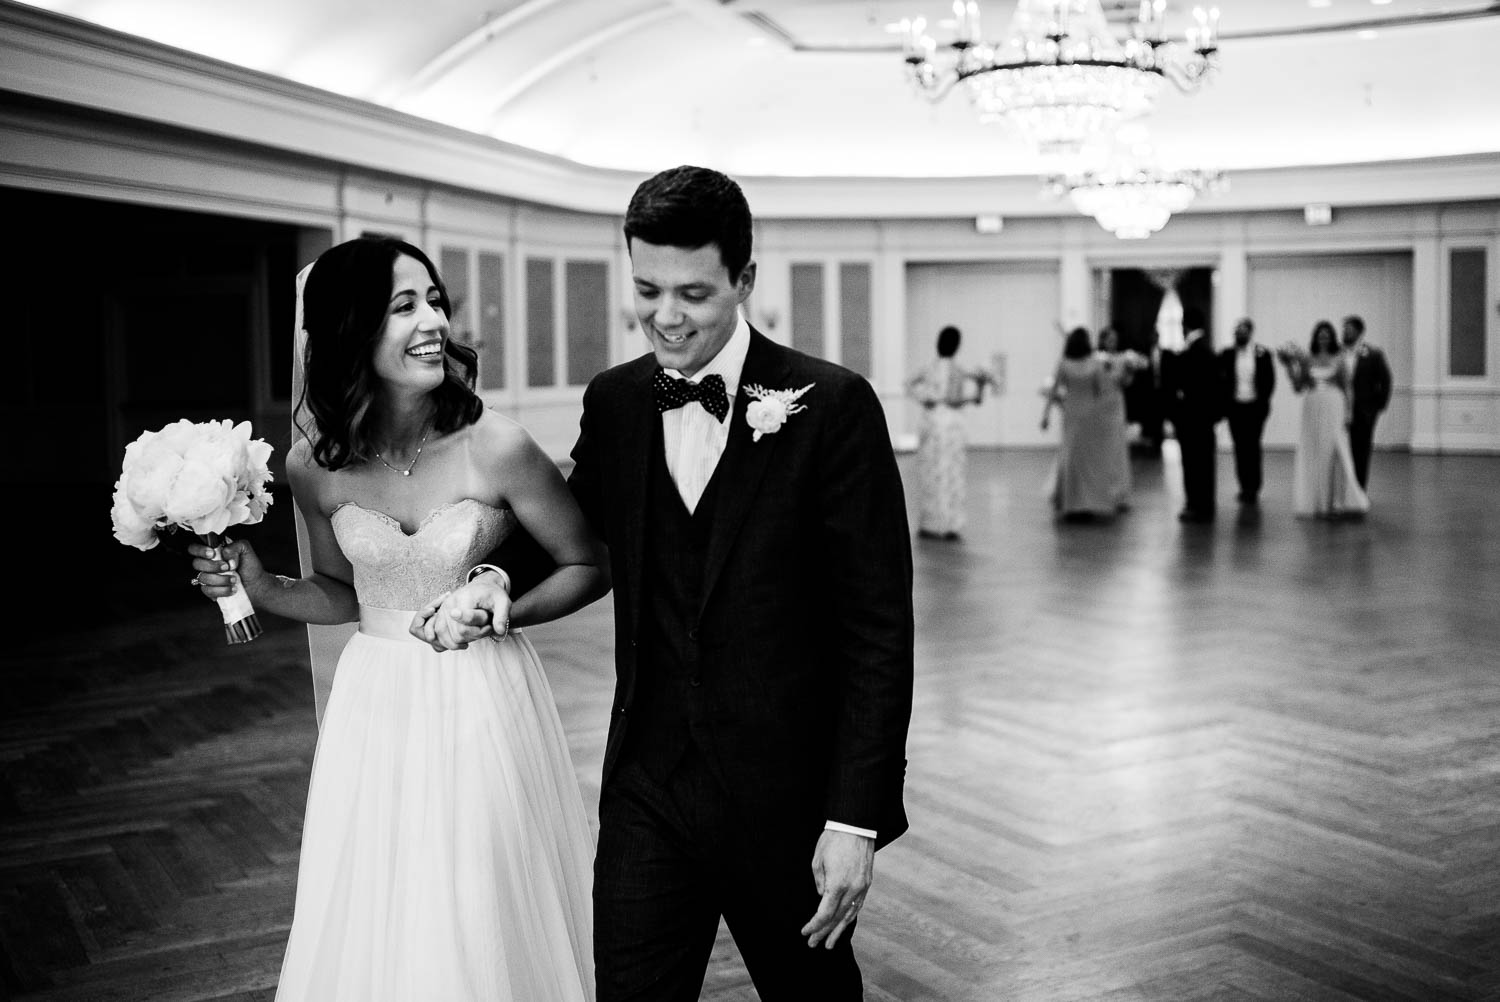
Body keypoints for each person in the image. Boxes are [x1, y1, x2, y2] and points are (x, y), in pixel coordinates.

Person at [423, 165, 916, 1001]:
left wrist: (853, 819)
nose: (665, 315)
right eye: (647, 289)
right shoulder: (616, 401)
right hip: (649, 784)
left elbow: (877, 631)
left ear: (745, 281)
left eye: (692, 293)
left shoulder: (832, 405)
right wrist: (496, 575)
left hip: (787, 800)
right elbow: (572, 528)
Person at [189, 237, 609, 1001]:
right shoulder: (312, 466)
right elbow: (342, 595)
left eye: (436, 300)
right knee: (384, 900)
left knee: (478, 894)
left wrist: (503, 609)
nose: (434, 322)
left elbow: (588, 564)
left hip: (485, 693)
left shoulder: (497, 445)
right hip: (373, 707)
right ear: (350, 329)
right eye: (404, 305)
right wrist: (260, 583)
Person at [906, 324, 994, 540]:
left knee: (929, 473)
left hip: (930, 422)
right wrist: (979, 388)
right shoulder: (958, 369)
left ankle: (929, 522)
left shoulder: (929, 367)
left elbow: (908, 384)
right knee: (951, 474)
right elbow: (956, 400)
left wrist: (924, 398)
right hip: (951, 425)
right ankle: (949, 524)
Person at [1040, 326, 1136, 518]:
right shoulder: (1095, 365)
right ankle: (1086, 502)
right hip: (1091, 416)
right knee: (1088, 460)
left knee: (1070, 457)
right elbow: (1104, 391)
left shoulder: (1064, 364)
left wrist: (1046, 414)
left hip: (1071, 414)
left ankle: (1070, 502)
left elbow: (1053, 391)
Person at [1279, 320, 1370, 519]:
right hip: (1312, 406)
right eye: (1320, 335)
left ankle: (1337, 501)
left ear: (1332, 338)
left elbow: (1347, 388)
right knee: (1314, 452)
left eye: (1327, 335)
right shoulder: (1307, 359)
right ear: (1315, 337)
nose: (1324, 338)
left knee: (1335, 452)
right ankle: (1317, 501)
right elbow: (1298, 387)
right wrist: (1289, 366)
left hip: (1334, 405)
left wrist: (1349, 413)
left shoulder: (1339, 359)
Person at [1159, 307, 1221, 523]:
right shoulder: (1208, 349)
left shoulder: (1194, 351)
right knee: (1204, 462)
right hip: (1205, 418)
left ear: (1186, 326)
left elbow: (1181, 383)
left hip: (1192, 417)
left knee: (1193, 463)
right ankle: (1205, 504)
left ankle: (1196, 504)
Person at [1218, 317, 1276, 506]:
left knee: (1253, 446)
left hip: (1255, 408)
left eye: (1243, 331)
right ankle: (1243, 486)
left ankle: (1254, 487)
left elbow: (1269, 381)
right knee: (1240, 447)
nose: (1239, 334)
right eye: (1237, 331)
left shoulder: (1262, 353)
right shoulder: (1227, 354)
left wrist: (1263, 403)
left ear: (1250, 332)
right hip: (1235, 408)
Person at [1341, 314, 1392, 491]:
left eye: (1349, 330)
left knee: (1361, 452)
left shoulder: (1373, 354)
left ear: (1359, 332)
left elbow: (1385, 380)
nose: (1345, 333)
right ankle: (1342, 490)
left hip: (1364, 411)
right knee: (1341, 451)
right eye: (1344, 329)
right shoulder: (1337, 353)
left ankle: (1358, 491)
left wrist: (1377, 407)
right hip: (1338, 410)